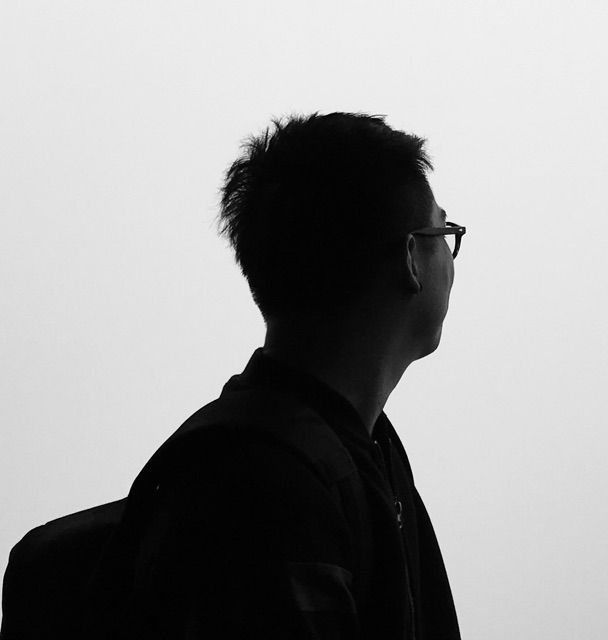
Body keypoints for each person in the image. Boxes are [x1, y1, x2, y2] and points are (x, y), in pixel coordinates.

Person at [1, 111, 465, 639]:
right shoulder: (268, 492)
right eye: (443, 232)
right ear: (410, 258)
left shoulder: (357, 451)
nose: (452, 262)